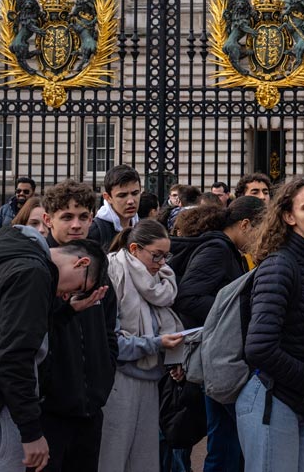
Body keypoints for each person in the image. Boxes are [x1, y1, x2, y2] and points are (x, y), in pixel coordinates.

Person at [0, 222, 109, 472]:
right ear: (81, 263)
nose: (67, 295)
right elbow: (14, 358)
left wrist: (65, 312)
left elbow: (10, 330)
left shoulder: (14, 253)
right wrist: (31, 432)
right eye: (78, 288)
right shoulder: (34, 273)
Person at [238, 176, 304, 471]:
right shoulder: (280, 265)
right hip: (273, 400)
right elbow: (259, 347)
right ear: (288, 217)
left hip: (296, 400)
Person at [174, 196, 262, 472]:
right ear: (245, 224)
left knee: (227, 443)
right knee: (224, 447)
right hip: (216, 358)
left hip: (220, 355)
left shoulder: (228, 250)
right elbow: (188, 296)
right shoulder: (217, 249)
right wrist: (232, 314)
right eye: (260, 229)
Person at [40, 180, 118, 472]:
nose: (76, 225)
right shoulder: (37, 267)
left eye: (83, 216)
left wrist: (103, 375)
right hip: (49, 411)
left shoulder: (98, 266)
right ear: (48, 219)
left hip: (90, 407)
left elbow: (109, 330)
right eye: (67, 216)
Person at [99, 219, 185, 472]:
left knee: (143, 458)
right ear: (135, 249)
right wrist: (157, 343)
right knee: (112, 457)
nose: (162, 263)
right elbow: (111, 339)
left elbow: (159, 324)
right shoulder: (113, 271)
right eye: (156, 255)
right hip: (118, 379)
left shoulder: (162, 278)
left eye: (166, 256)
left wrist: (173, 356)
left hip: (150, 377)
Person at [89, 165, 142, 247]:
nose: (131, 201)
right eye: (122, 195)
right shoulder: (95, 232)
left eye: (135, 193)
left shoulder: (143, 228)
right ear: (108, 198)